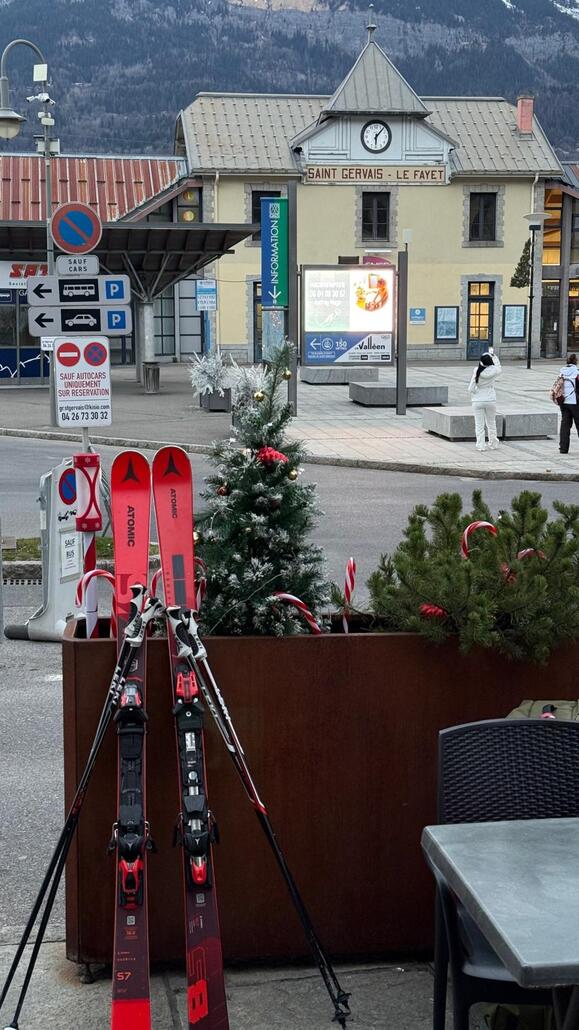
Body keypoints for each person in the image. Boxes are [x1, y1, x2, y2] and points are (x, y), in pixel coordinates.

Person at [467, 349, 502, 452]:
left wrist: (475, 392)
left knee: (479, 425)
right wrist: (493, 355)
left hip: (478, 400)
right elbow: (498, 366)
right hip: (490, 399)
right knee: (491, 423)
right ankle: (493, 443)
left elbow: (471, 388)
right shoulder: (494, 371)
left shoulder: (476, 371)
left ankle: (481, 445)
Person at [558, 353, 579, 454]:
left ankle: (563, 448)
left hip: (564, 401)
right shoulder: (577, 373)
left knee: (565, 425)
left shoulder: (561, 372)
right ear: (576, 362)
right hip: (575, 403)